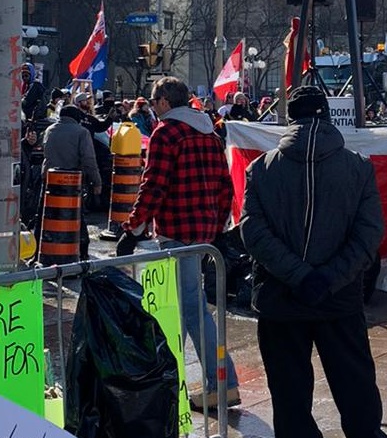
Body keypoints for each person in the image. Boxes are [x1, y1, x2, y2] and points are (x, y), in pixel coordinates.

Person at [239, 86, 387, 438]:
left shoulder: (262, 169)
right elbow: (369, 236)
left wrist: (299, 275)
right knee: (355, 388)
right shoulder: (357, 168)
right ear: (327, 117)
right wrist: (326, 278)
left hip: (281, 299)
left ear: (289, 120)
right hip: (338, 300)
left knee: (290, 394)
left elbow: (253, 233)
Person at [116, 76, 241, 410]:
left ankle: (220, 381)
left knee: (190, 308)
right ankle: (171, 376)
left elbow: (154, 185)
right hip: (203, 232)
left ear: (163, 103)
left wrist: (133, 227)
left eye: (155, 103)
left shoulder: (166, 133)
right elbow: (224, 186)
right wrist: (216, 229)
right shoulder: (210, 134)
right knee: (187, 305)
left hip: (176, 230)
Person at [42, 105, 103, 259]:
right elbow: (89, 160)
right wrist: (97, 182)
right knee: (76, 218)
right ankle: (81, 253)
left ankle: (43, 253)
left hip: (49, 181)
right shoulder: (81, 132)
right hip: (71, 183)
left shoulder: (50, 130)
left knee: (45, 218)